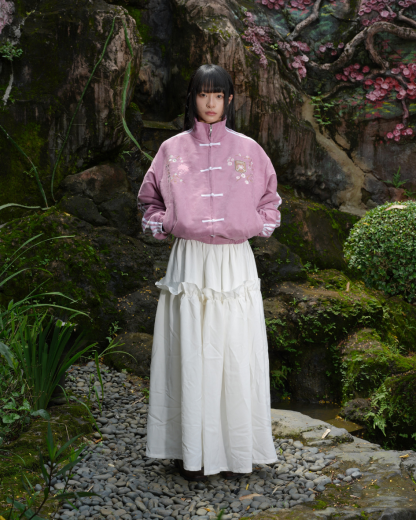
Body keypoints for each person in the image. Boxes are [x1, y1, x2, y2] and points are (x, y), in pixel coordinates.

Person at [137, 64, 282, 481]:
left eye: (218, 95)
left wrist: (254, 224)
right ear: (192, 99)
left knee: (234, 349)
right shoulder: (172, 149)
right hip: (190, 260)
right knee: (188, 349)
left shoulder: (249, 150)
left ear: (230, 100)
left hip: (234, 260)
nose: (211, 103)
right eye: (203, 94)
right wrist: (167, 222)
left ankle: (237, 453)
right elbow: (149, 201)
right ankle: (189, 452)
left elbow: (270, 202)